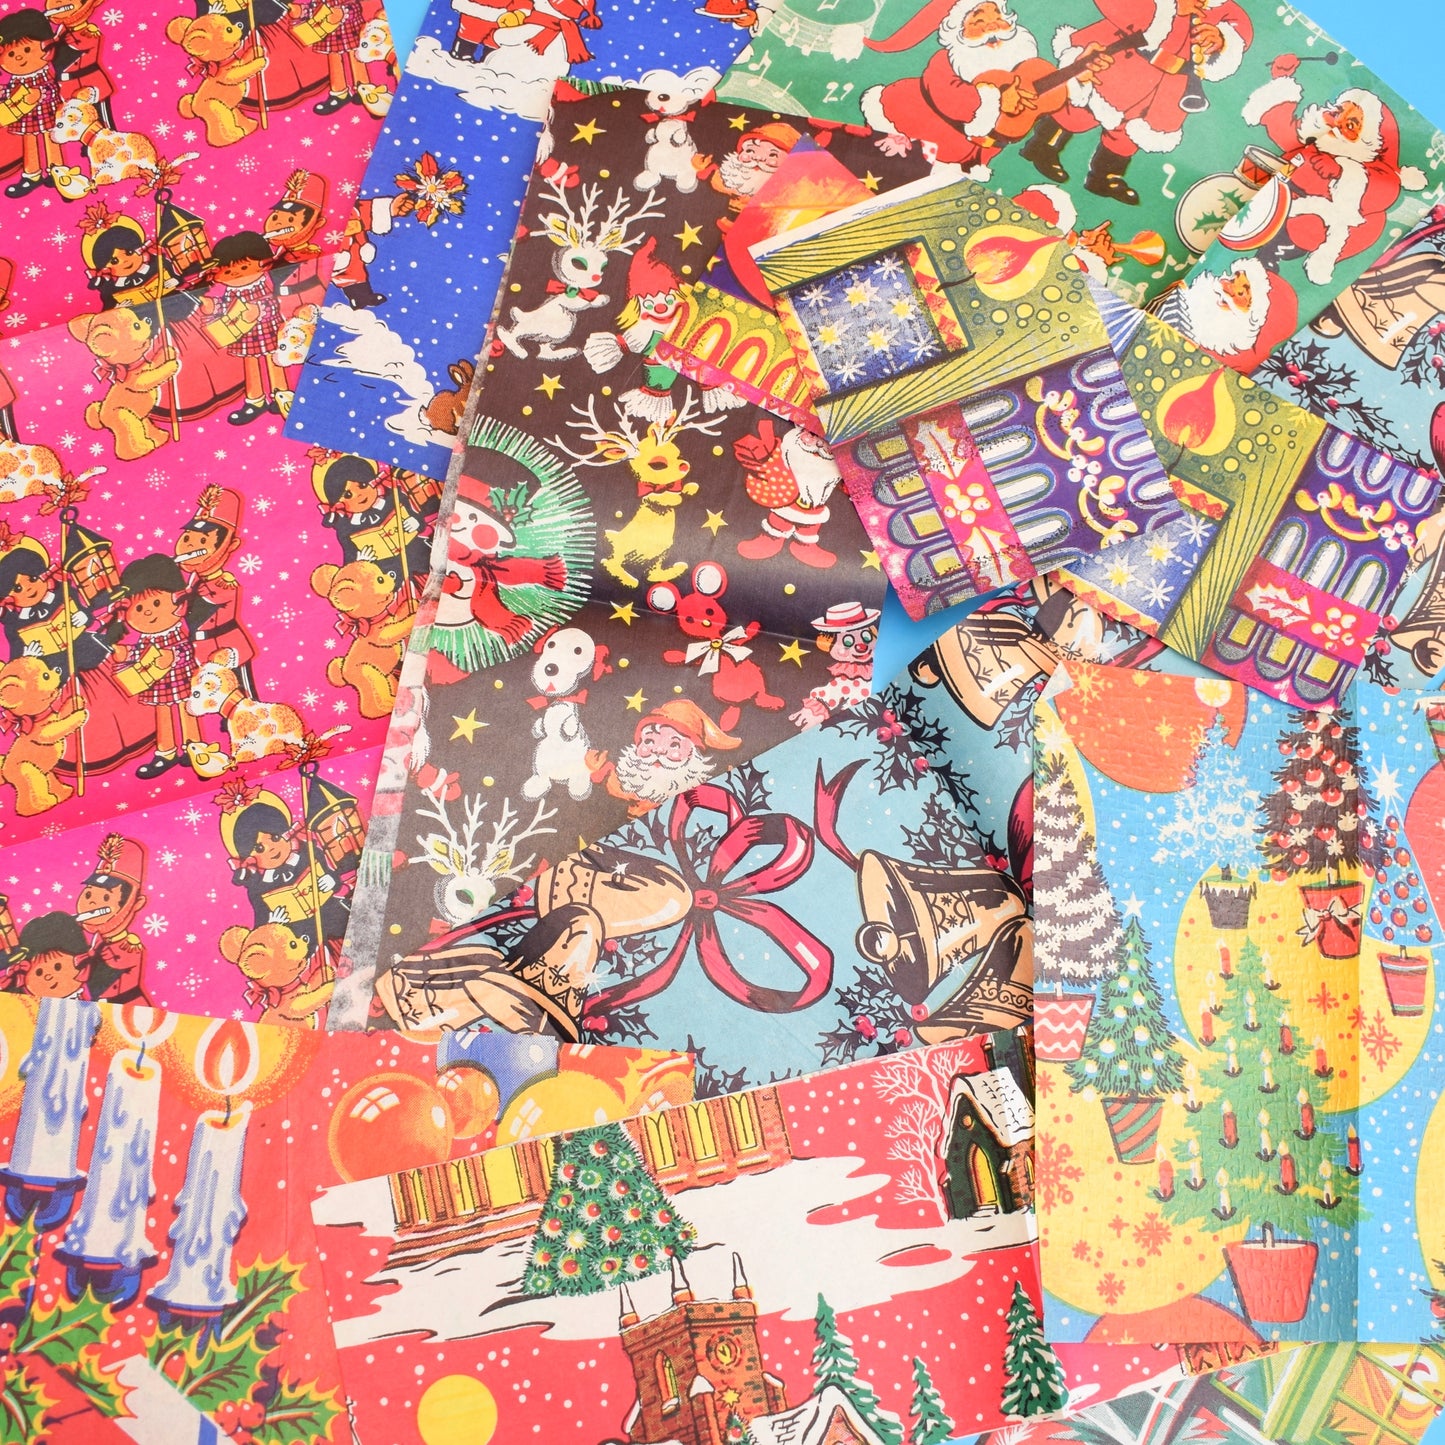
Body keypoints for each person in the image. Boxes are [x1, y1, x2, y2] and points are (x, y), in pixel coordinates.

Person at [99, 553, 216, 779]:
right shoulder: (147, 639)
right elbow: (139, 653)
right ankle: (166, 752)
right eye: (139, 608)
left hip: (182, 677)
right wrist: (125, 653)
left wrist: (173, 655)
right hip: (158, 682)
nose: (148, 612)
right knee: (162, 715)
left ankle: (194, 746)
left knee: (188, 710)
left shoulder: (177, 631)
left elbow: (187, 649)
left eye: (155, 603)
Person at [74, 833, 149, 1002]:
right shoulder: (98, 941)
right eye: (88, 894)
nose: (92, 903)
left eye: (106, 897)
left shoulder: (130, 946)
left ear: (136, 903)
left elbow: (117, 964)